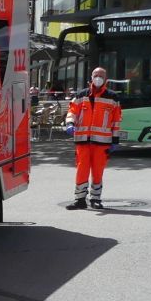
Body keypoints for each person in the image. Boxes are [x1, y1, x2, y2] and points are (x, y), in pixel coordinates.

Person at [64, 66, 121, 210]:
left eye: (101, 75)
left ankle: (95, 199)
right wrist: (70, 123)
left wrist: (115, 140)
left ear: (106, 79)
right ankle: (80, 199)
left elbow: (116, 121)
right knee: (81, 170)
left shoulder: (112, 97)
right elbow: (72, 111)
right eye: (96, 75)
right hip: (82, 140)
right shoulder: (81, 95)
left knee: (97, 171)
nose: (98, 78)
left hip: (102, 142)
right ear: (91, 77)